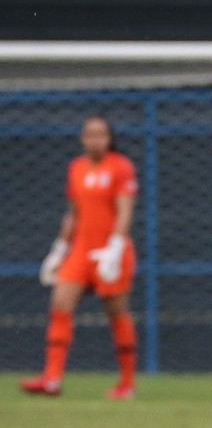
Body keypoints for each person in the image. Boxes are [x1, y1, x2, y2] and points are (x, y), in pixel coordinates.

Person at [20, 116, 139, 400]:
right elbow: (73, 213)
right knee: (60, 302)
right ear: (82, 138)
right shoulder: (76, 168)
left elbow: (124, 211)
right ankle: (52, 379)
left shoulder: (120, 166)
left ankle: (126, 384)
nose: (95, 139)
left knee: (116, 313)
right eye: (90, 134)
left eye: (100, 134)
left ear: (109, 138)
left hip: (110, 251)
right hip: (81, 251)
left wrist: (115, 246)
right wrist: (59, 249)